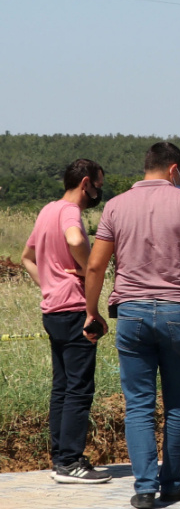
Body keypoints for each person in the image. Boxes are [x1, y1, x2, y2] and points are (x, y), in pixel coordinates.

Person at [83, 141, 180, 509]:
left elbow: (95, 266)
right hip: (179, 313)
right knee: (179, 405)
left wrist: (92, 312)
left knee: (138, 405)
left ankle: (144, 488)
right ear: (174, 170)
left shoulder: (116, 206)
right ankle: (172, 484)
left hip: (133, 313)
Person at [20, 159, 111, 483]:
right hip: (74, 310)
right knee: (79, 388)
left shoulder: (47, 210)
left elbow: (26, 258)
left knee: (61, 387)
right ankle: (71, 462)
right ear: (85, 183)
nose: (99, 191)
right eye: (98, 185)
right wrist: (89, 270)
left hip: (52, 310)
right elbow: (75, 240)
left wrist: (49, 285)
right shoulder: (71, 212)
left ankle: (61, 458)